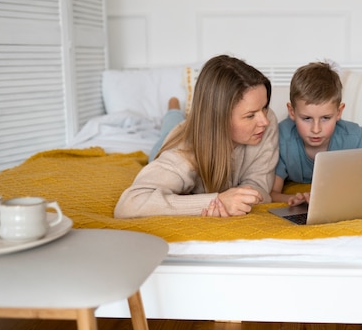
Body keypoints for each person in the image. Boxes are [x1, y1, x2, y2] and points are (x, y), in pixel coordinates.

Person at [114, 55, 279, 218]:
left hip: (198, 126)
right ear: (219, 119)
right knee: (169, 128)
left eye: (264, 107)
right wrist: (216, 201)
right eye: (250, 116)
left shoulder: (266, 121)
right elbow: (129, 205)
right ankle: (173, 108)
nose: (264, 121)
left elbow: (260, 185)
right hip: (176, 138)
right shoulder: (182, 153)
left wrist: (240, 198)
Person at [271, 61, 362, 206]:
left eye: (325, 118)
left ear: (339, 112)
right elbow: (272, 193)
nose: (316, 129)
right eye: (306, 118)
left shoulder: (353, 137)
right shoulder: (281, 138)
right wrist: (292, 199)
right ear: (292, 112)